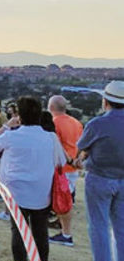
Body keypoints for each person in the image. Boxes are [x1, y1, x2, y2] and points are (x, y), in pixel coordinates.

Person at [0, 96, 64, 261]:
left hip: (17, 191)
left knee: (19, 232)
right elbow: (60, 162)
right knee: (40, 233)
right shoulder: (50, 138)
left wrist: (8, 125)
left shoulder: (13, 135)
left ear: (19, 116)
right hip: (42, 192)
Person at [75, 80, 124, 261]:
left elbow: (82, 148)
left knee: (99, 228)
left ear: (106, 102)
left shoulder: (97, 124)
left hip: (100, 178)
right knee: (122, 231)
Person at [48, 95, 83, 247]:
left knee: (63, 201)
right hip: (73, 166)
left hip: (62, 168)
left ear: (51, 108)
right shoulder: (76, 123)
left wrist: (69, 160)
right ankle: (63, 230)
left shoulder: (54, 123)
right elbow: (82, 144)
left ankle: (66, 234)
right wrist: (77, 161)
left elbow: (57, 145)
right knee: (65, 199)